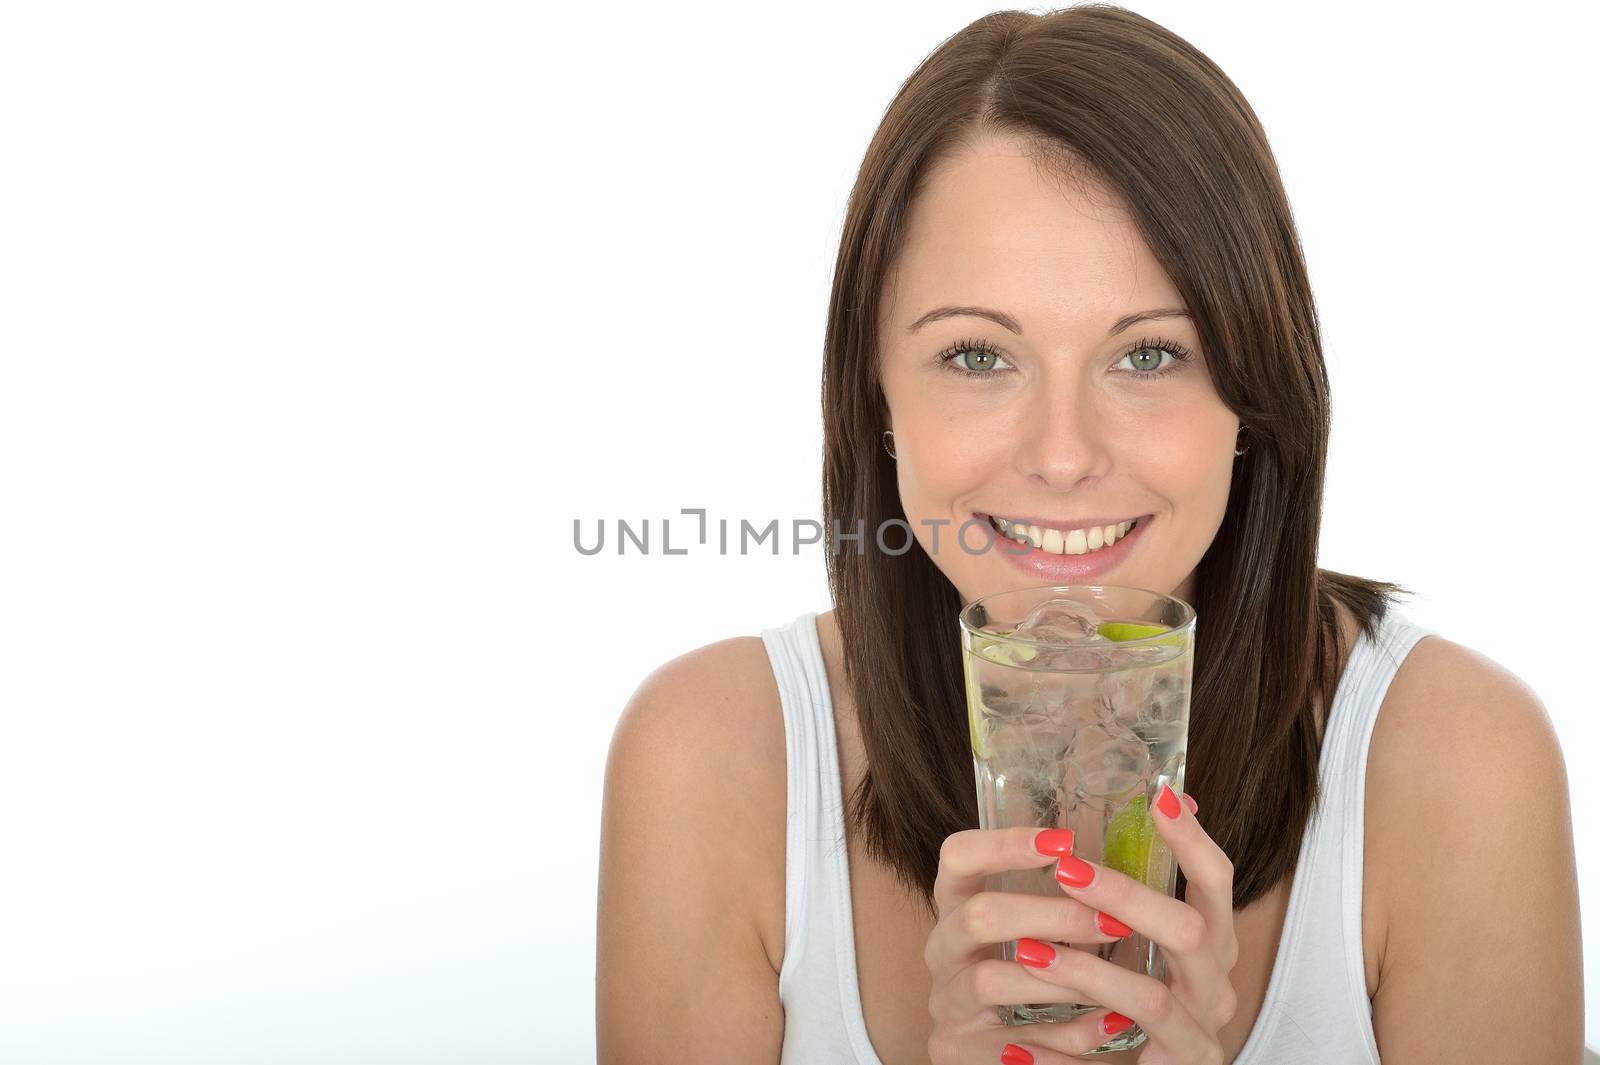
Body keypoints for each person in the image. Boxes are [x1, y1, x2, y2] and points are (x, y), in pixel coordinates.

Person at [595, 6, 1582, 1063]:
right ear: (873, 393)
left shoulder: (1453, 766)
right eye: (978, 356)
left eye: (1149, 355)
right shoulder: (710, 761)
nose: (1062, 456)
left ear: (1254, 396)